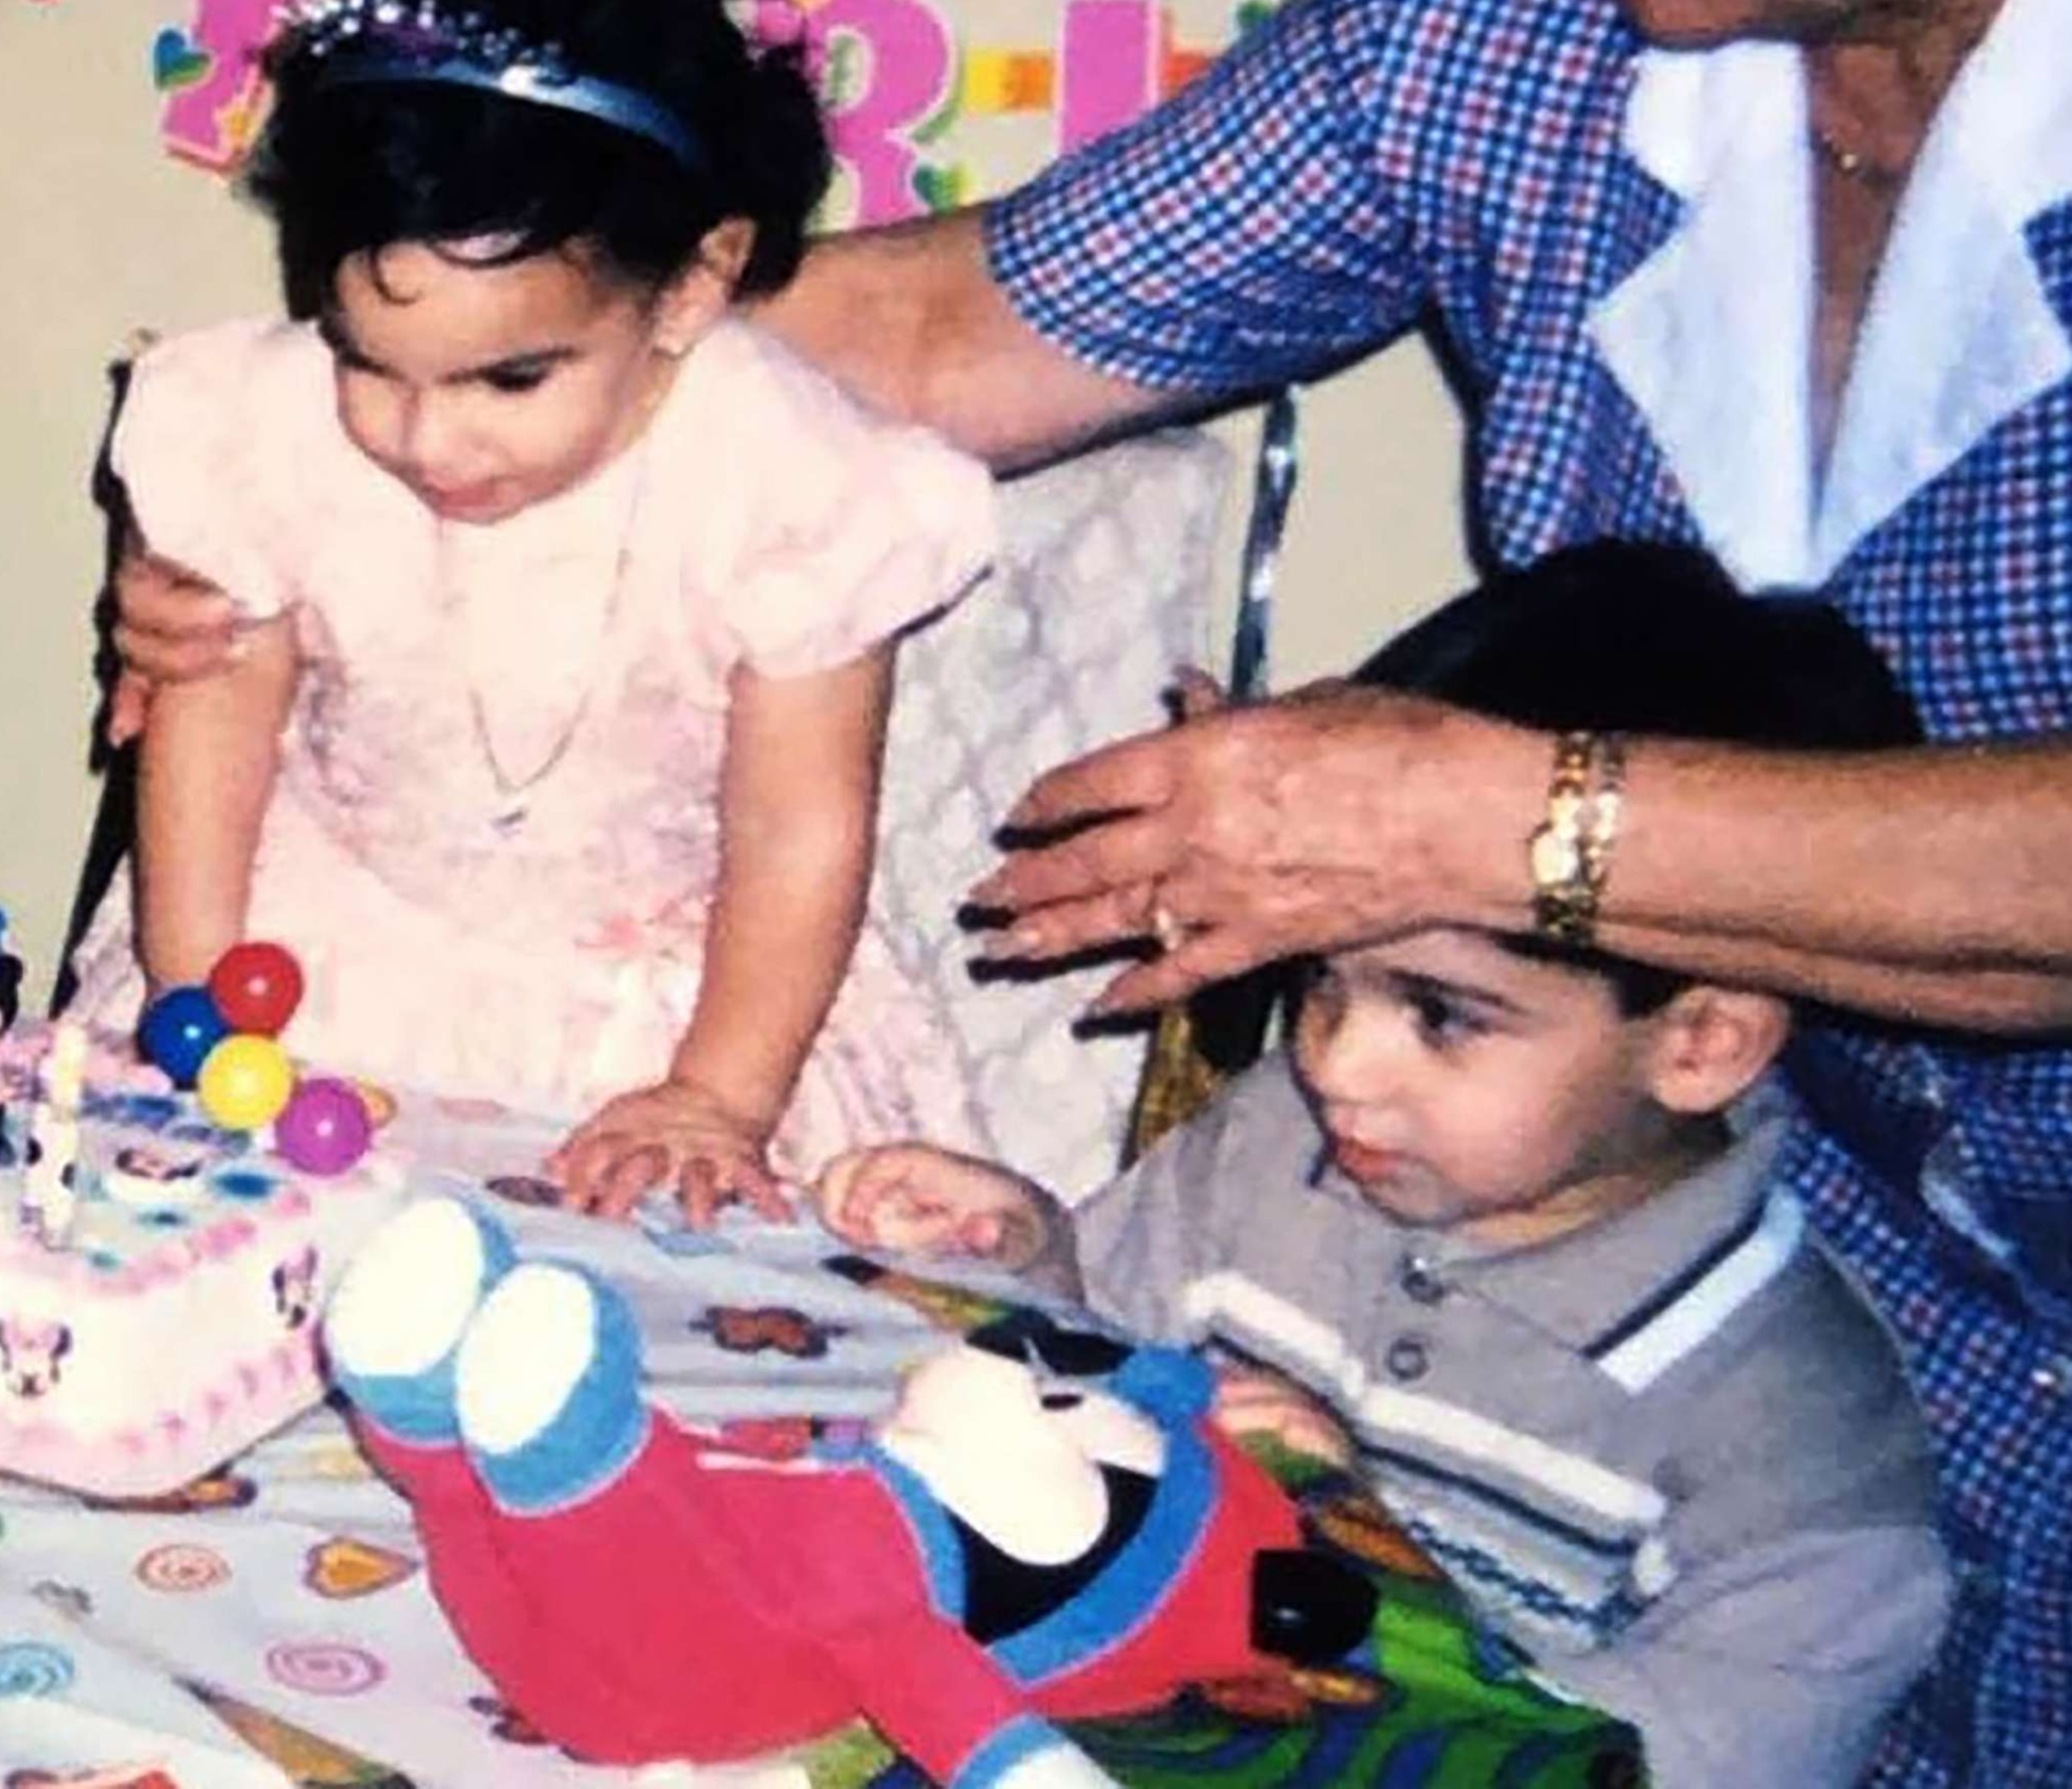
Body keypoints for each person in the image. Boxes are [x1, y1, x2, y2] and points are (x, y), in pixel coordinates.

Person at [107, 0, 2072, 1776]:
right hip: (1575, 1284)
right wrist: (426, 445)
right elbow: (945, 326)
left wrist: (1499, 820)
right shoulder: (1503, 34)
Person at [820, 543, 1950, 1788]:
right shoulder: (1273, 1142)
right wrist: (1028, 1258)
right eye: (1321, 981)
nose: (1338, 1064)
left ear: (1699, 1042)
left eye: (1443, 1014)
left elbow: (1610, 1769)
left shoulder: (1800, 1441)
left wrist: (1353, 1558)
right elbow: (1096, 1381)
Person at [67, 0, 997, 1222]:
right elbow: (212, 719)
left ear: (687, 287)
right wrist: (192, 1000)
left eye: (510, 377)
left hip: (677, 1016)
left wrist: (719, 1098)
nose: (429, 437)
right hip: (316, 955)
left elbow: (799, 828)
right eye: (369, 363)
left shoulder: (791, 483)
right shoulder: (258, 427)